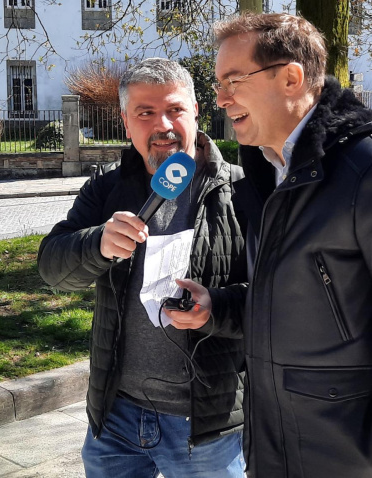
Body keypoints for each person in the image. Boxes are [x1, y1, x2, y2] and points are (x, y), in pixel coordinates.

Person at [176, 13, 372, 478]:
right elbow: (297, 297)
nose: (221, 99)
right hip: (276, 445)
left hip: (354, 455)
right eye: (218, 84)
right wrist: (218, 307)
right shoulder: (269, 168)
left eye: (233, 80)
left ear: (290, 77)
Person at [38, 58, 249, 477]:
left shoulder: (244, 192)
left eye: (174, 110)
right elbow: (51, 267)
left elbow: (280, 300)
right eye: (146, 113)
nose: (163, 125)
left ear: (196, 112)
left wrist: (215, 308)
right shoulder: (107, 189)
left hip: (206, 426)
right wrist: (95, 244)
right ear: (125, 121)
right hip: (115, 419)